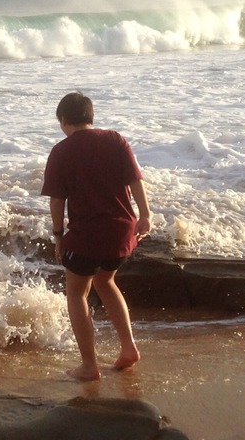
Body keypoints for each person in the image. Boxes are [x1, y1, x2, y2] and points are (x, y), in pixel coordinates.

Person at [40, 92, 151, 381]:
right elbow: (135, 180)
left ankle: (89, 366)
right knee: (106, 280)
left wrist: (58, 236)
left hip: (87, 234)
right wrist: (145, 215)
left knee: (77, 293)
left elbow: (57, 201)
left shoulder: (61, 151)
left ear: (63, 120)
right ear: (90, 117)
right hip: (121, 231)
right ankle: (129, 347)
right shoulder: (115, 139)